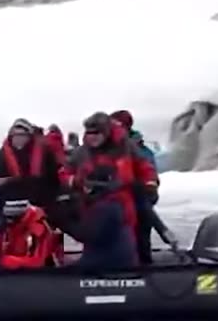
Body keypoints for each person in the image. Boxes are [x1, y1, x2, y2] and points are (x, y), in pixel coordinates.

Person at [67, 111, 164, 271]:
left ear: (106, 132)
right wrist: (75, 182)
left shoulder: (126, 148)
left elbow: (145, 167)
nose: (92, 137)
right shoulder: (82, 152)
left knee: (125, 249)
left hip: (123, 207)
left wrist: (150, 184)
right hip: (93, 207)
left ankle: (133, 278)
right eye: (89, 133)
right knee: (95, 244)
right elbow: (65, 172)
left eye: (96, 133)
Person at [0, 118, 70, 211]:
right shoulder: (0, 157)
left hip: (39, 206)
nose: (18, 139)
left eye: (22, 135)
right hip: (8, 207)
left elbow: (54, 181)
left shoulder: (44, 154)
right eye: (15, 135)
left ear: (29, 137)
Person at [0, 199, 61, 270]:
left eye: (10, 219)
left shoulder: (37, 227)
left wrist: (6, 261)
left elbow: (37, 261)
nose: (8, 222)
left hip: (42, 272)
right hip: (15, 265)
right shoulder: (7, 225)